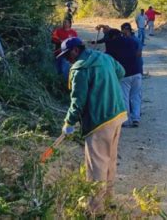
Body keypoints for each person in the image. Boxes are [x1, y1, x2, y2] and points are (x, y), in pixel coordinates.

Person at [58, 37, 127, 215]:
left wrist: (69, 122)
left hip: (99, 120)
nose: (67, 59)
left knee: (96, 164)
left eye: (67, 55)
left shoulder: (80, 69)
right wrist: (105, 82)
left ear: (75, 50)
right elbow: (121, 72)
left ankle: (95, 209)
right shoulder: (104, 57)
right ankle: (109, 200)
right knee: (110, 159)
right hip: (117, 114)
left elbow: (77, 101)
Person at [106, 29, 142, 127]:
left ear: (112, 36)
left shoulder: (112, 44)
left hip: (124, 74)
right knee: (136, 96)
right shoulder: (132, 41)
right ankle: (136, 118)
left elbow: (109, 59)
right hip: (137, 71)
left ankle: (125, 121)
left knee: (124, 97)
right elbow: (139, 53)